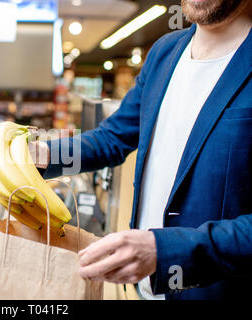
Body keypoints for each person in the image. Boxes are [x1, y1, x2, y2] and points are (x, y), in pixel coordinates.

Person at [31, 0, 251, 300]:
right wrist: (43, 156)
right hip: (143, 291)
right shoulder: (164, 53)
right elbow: (114, 138)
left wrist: (164, 252)